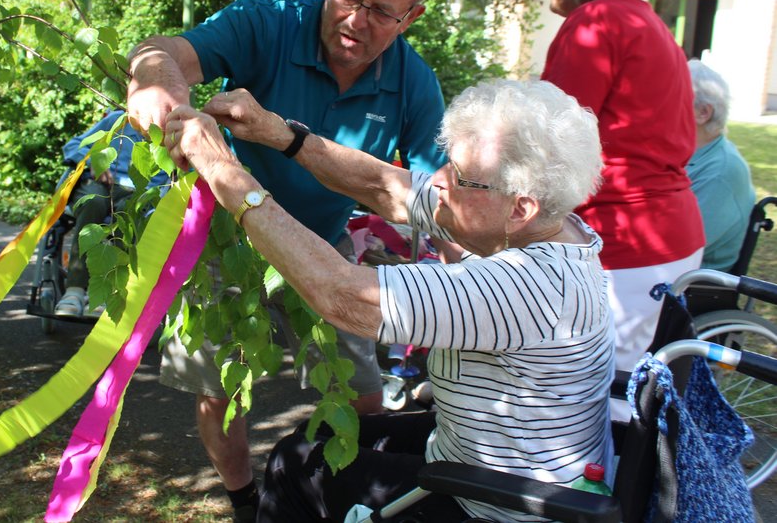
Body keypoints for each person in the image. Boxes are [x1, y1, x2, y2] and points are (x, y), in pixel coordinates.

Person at [162, 78, 614, 523]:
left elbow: (341, 294)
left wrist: (222, 168)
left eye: (459, 177)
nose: (438, 182)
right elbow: (383, 186)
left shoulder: (526, 287)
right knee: (319, 436)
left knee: (293, 465)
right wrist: (279, 132)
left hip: (493, 505)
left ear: (521, 208)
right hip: (473, 456)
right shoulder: (549, 229)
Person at [126, 0, 447, 520]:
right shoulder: (270, 20)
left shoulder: (414, 83)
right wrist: (157, 85)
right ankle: (245, 499)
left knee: (365, 399)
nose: (357, 20)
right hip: (224, 242)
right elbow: (162, 51)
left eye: (383, 11)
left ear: (413, 17)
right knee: (218, 390)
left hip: (324, 249)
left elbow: (440, 201)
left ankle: (347, 495)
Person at [540, 0, 704, 403]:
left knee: (592, 395)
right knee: (629, 389)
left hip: (622, 239)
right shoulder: (650, 23)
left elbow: (548, 140)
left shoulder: (596, 22)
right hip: (669, 235)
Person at [53, 110, 169, 317]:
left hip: (136, 191)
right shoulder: (118, 120)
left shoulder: (172, 131)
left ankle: (107, 293)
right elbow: (73, 147)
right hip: (98, 182)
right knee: (94, 203)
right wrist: (93, 161)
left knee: (127, 214)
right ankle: (74, 291)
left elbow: (166, 180)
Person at [686, 59, 756, 272]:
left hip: (691, 289)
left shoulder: (722, 171)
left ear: (703, 113)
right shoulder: (689, 155)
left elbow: (679, 245)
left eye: (673, 98)